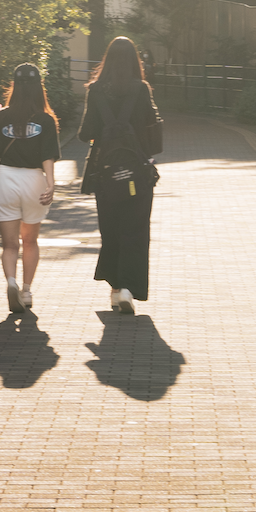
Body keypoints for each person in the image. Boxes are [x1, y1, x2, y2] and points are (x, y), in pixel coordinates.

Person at [78, 35, 163, 314]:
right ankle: (129, 287)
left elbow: (85, 133)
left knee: (111, 230)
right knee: (136, 229)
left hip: (105, 174)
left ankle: (114, 289)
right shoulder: (142, 89)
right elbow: (153, 129)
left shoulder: (96, 90)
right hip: (137, 173)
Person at [0, 62, 60, 313]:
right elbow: (48, 156)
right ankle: (26, 290)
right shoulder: (46, 119)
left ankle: (11, 282)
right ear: (39, 88)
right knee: (30, 241)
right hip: (34, 181)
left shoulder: (2, 117)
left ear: (14, 87)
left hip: (6, 180)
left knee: (10, 245)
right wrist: (51, 184)